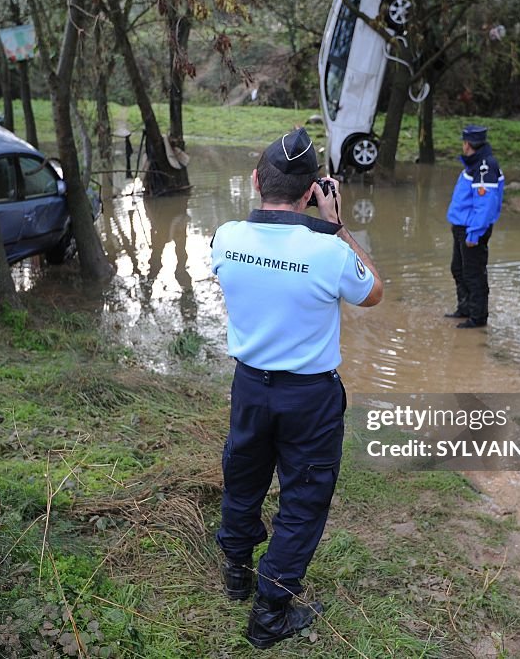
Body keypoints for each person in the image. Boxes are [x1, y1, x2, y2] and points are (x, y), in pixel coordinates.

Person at [210, 128, 383, 649]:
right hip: (309, 397)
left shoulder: (224, 237)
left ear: (256, 180)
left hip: (250, 388)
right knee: (304, 499)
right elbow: (373, 291)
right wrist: (336, 227)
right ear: (312, 191)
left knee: (244, 477)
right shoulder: (327, 251)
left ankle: (238, 573)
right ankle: (270, 613)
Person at [445, 124, 504, 328]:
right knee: (458, 269)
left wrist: (474, 234)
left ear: (467, 144)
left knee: (474, 273)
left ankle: (478, 318)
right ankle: (465, 309)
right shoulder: (475, 164)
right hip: (462, 227)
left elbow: (486, 205)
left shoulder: (485, 167)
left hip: (472, 230)